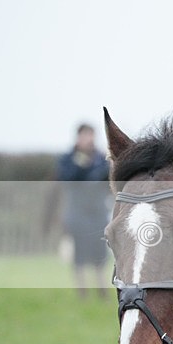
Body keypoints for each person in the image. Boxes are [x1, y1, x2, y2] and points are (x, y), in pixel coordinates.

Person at [57, 123, 111, 298]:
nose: (89, 140)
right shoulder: (67, 158)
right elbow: (67, 178)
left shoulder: (101, 158)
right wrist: (82, 165)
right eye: (86, 135)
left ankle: (102, 287)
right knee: (79, 253)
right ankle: (82, 290)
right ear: (78, 137)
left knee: (99, 251)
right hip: (77, 212)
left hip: (98, 211)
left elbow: (106, 178)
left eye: (92, 135)